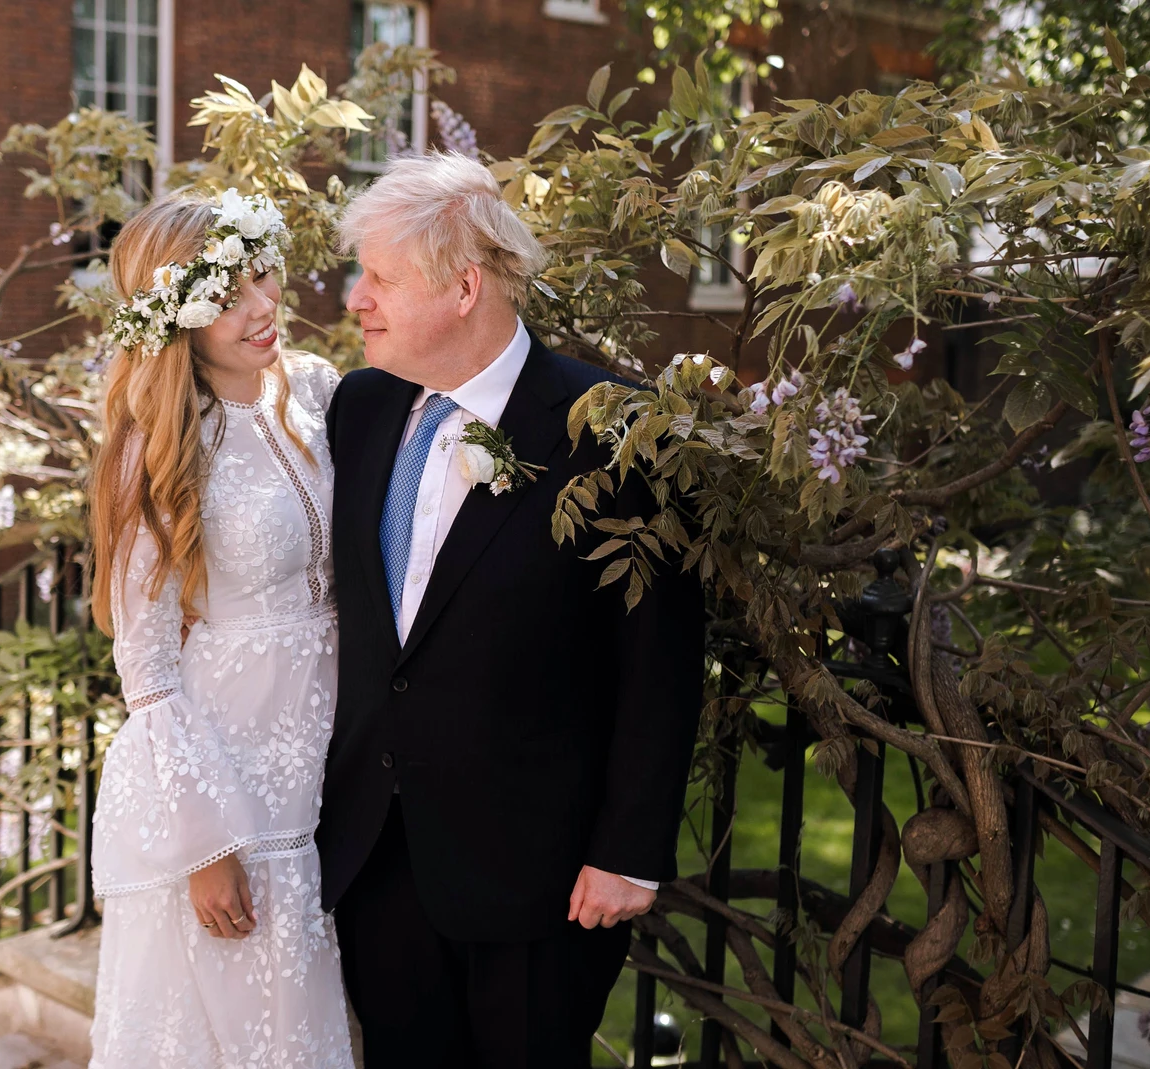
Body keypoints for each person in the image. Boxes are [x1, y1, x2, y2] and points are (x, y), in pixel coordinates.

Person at [318, 152, 706, 1069]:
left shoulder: (613, 430)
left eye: (378, 277)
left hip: (543, 879)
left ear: (463, 286)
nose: (354, 299)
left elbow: (662, 657)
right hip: (380, 857)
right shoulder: (361, 408)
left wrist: (629, 852)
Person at [84, 190, 354, 1069]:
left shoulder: (320, 392)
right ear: (179, 315)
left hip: (333, 750)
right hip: (228, 775)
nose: (263, 305)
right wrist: (206, 845)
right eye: (229, 294)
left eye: (264, 275)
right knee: (244, 1031)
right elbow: (150, 665)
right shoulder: (158, 444)